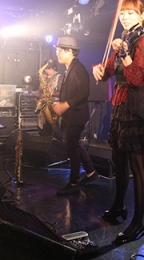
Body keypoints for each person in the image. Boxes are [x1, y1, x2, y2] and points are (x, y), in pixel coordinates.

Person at [92, 0, 144, 245]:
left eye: (131, 13)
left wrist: (122, 52)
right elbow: (109, 70)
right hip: (121, 108)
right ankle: (119, 207)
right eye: (123, 13)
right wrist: (99, 69)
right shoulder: (126, 40)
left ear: (142, 15)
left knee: (137, 167)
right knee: (118, 160)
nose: (125, 17)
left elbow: (138, 79)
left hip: (138, 110)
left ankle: (138, 222)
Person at [51, 37, 99, 196]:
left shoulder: (78, 68)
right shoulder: (70, 68)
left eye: (60, 51)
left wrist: (65, 104)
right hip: (72, 115)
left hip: (76, 115)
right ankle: (91, 172)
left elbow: (84, 92)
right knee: (74, 144)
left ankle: (73, 182)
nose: (57, 53)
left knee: (71, 148)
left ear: (70, 51)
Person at [36, 60, 62, 140]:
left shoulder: (59, 77)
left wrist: (52, 93)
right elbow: (39, 93)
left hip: (54, 106)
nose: (47, 71)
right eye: (46, 69)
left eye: (49, 69)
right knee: (44, 131)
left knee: (55, 130)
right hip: (45, 106)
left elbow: (62, 92)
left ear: (54, 68)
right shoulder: (45, 78)